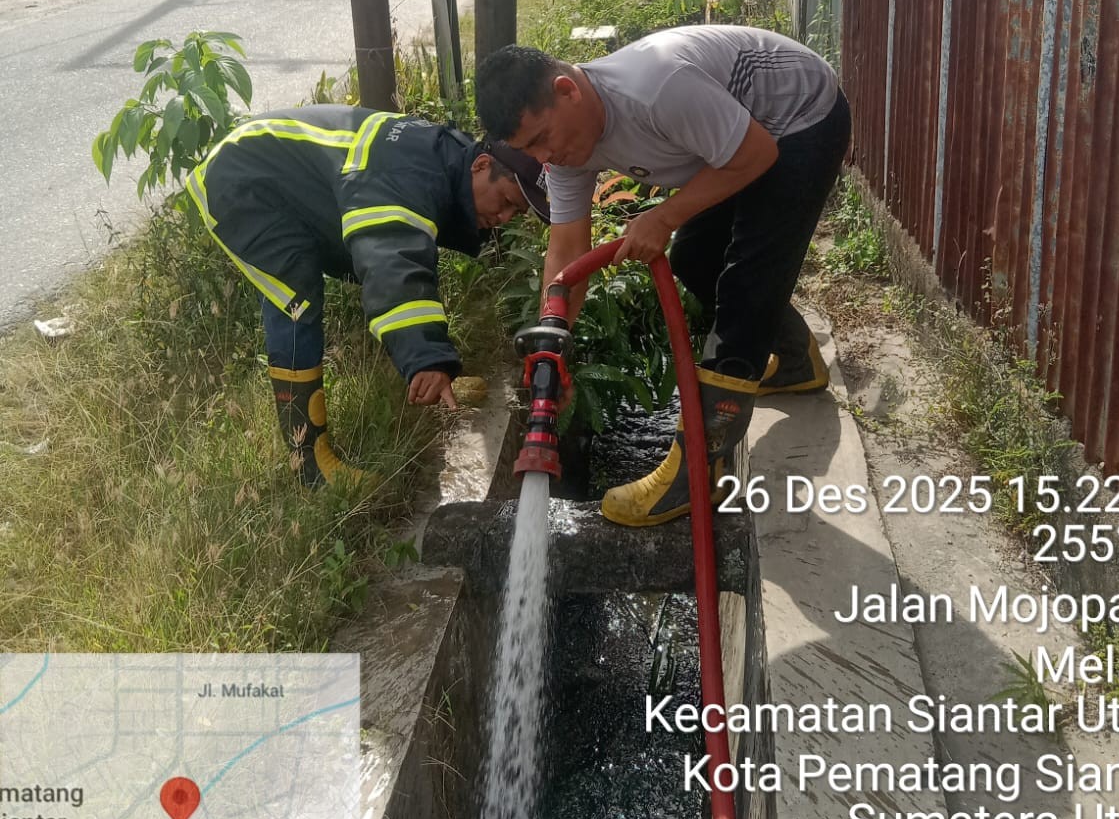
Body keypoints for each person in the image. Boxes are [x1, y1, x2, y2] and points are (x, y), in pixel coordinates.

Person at [476, 27, 851, 527]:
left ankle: (698, 470)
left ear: (567, 89)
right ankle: (796, 362)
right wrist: (554, 342)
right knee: (695, 259)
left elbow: (757, 155)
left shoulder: (656, 88)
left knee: (746, 285)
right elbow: (567, 251)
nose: (544, 158)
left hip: (800, 118)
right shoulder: (568, 149)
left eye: (543, 138)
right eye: (530, 149)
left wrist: (664, 216)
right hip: (741, 137)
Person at [186, 107, 549, 489]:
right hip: (243, 183)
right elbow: (393, 262)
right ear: (481, 165)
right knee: (296, 297)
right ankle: (309, 465)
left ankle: (422, 374)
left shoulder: (448, 158)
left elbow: (411, 249)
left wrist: (429, 356)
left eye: (516, 211)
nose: (505, 217)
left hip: (290, 179)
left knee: (381, 267)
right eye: (507, 200)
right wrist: (427, 357)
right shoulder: (405, 177)